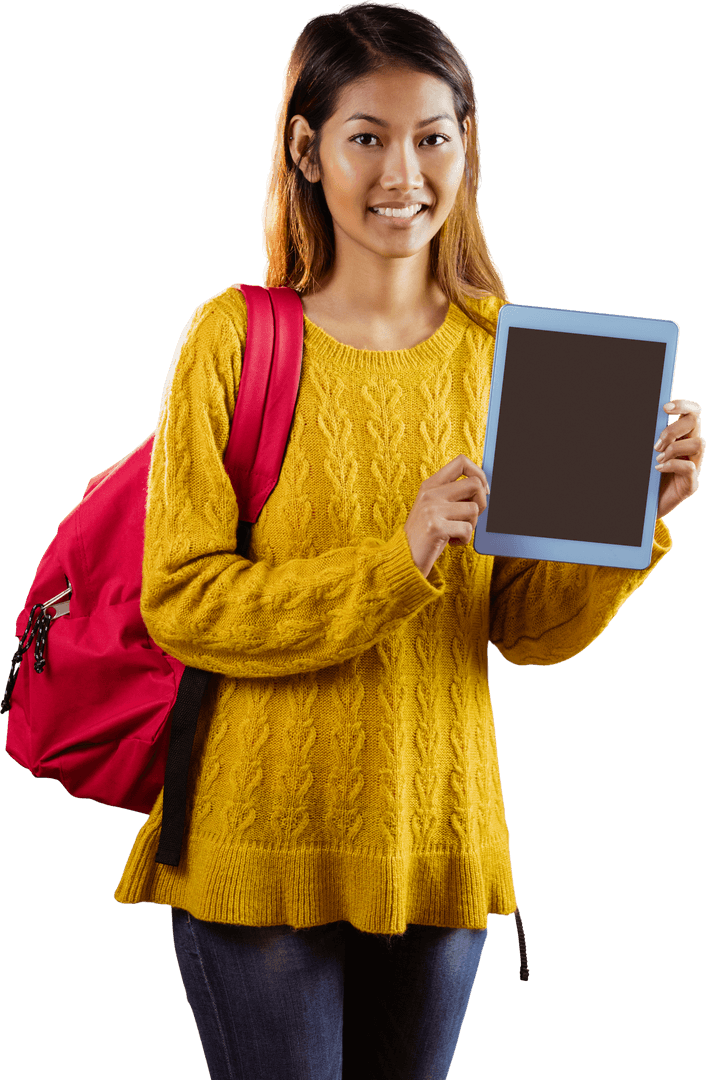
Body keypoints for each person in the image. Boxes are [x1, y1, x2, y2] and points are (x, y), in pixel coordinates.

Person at [113, 4, 704, 1078]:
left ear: (467, 144)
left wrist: (632, 525)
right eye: (367, 137)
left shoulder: (503, 347)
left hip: (439, 843)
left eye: (433, 136)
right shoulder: (232, 337)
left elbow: (525, 630)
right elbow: (183, 600)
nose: (404, 174)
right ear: (306, 148)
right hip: (262, 852)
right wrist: (400, 559)